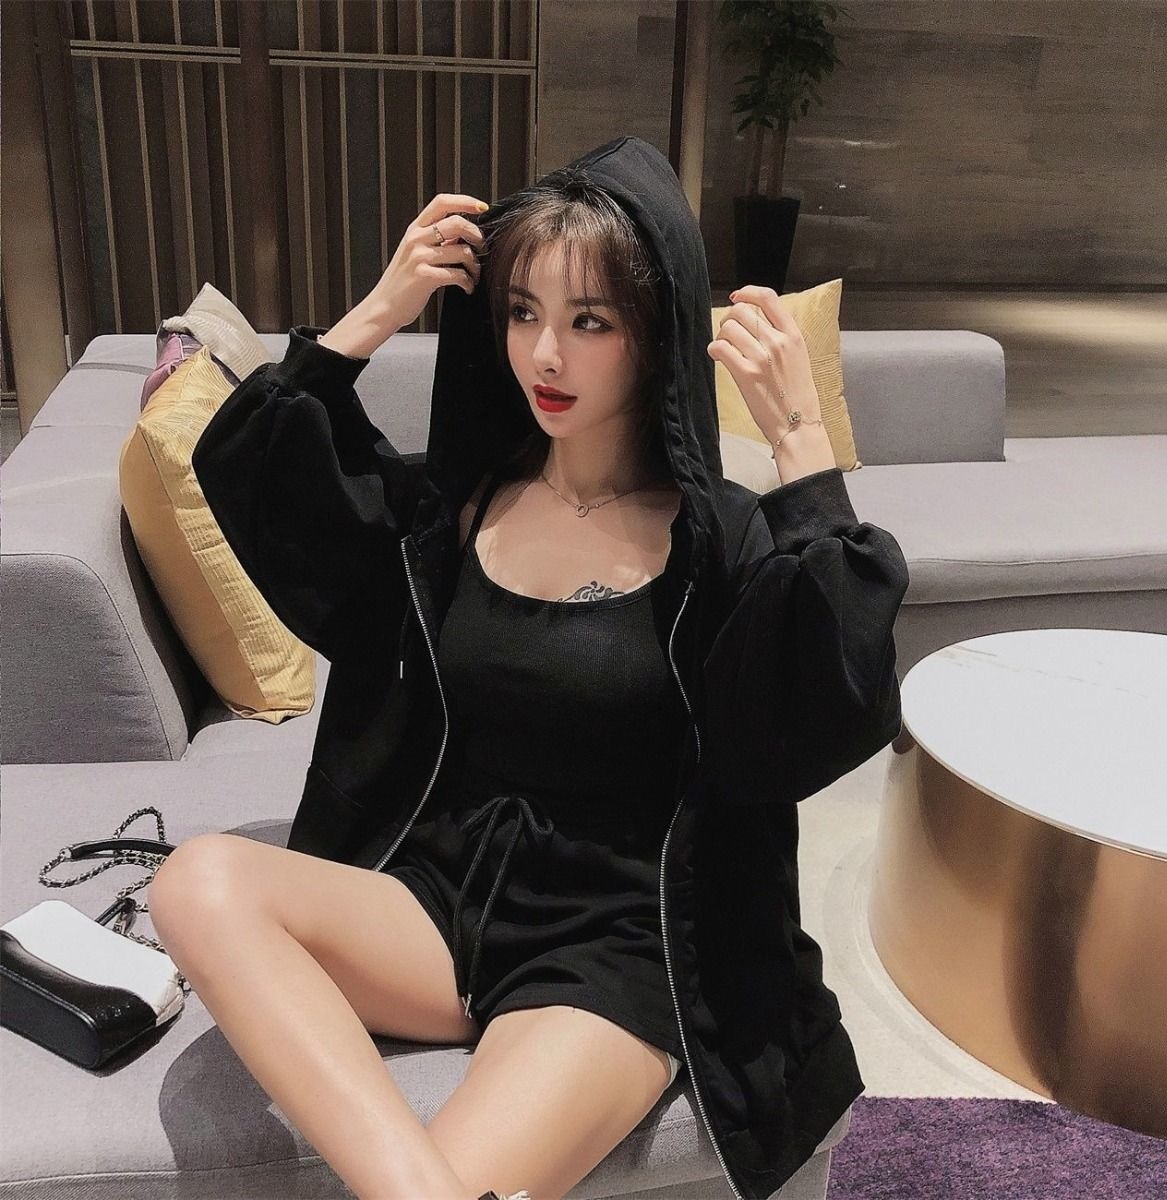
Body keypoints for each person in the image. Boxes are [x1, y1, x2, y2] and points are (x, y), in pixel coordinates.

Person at [166, 135, 910, 1200]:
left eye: (589, 322)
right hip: (437, 904)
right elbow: (272, 481)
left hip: (612, 945)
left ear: (654, 331)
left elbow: (833, 693)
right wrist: (372, 316)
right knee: (199, 880)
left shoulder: (722, 544)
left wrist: (800, 437)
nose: (544, 356)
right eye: (522, 313)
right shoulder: (457, 511)